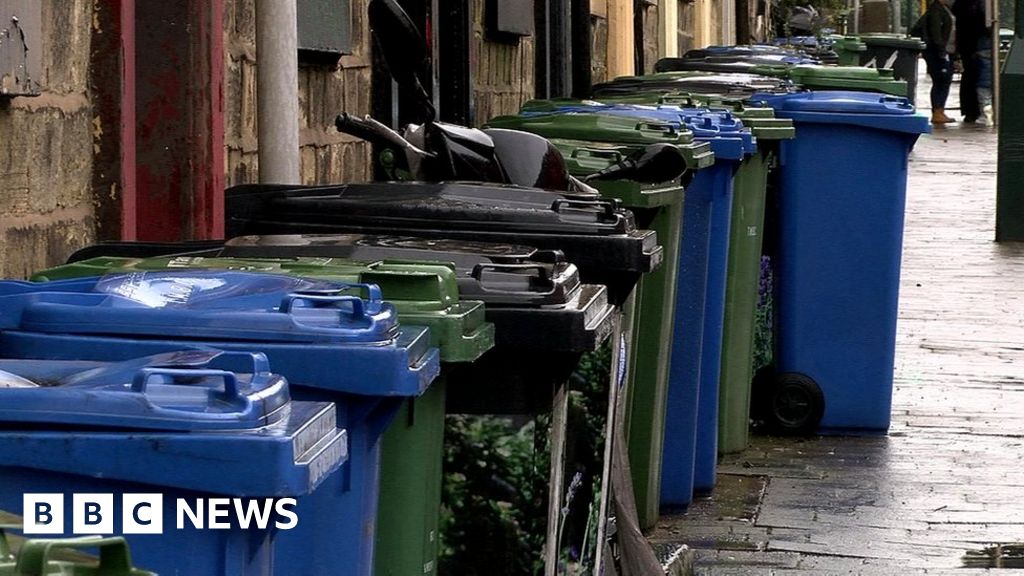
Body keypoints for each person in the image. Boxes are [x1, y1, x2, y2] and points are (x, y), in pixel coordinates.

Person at [921, 0, 957, 124]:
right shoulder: (936, 10)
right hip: (939, 52)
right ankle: (937, 111)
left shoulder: (946, 9)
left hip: (947, 51)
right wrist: (941, 51)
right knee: (941, 80)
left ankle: (940, 110)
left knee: (944, 81)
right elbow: (936, 33)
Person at [953, 0, 988, 122]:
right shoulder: (973, 5)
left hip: (967, 45)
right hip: (973, 45)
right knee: (975, 77)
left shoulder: (962, 5)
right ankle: (973, 111)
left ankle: (970, 111)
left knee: (970, 77)